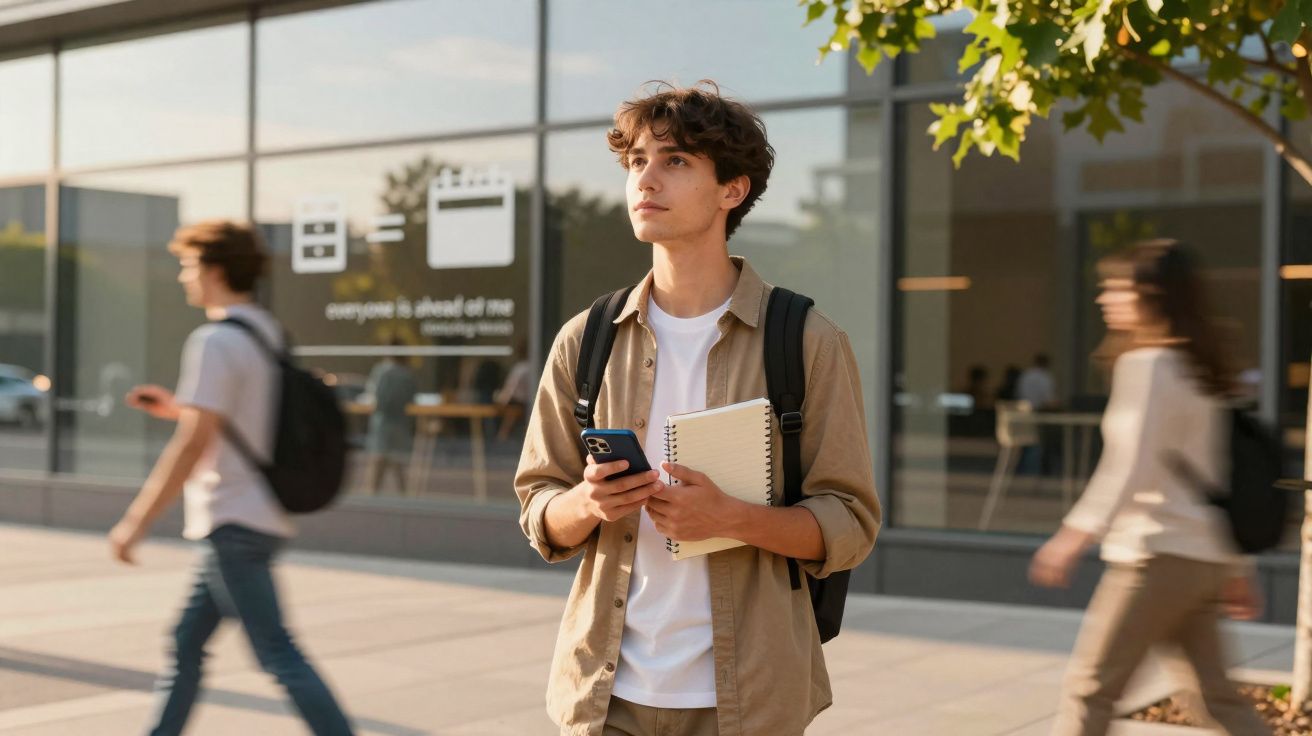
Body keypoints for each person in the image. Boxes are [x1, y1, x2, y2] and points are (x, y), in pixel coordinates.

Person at [514, 81, 880, 736]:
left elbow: (849, 522)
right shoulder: (588, 338)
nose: (645, 179)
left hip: (749, 701)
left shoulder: (805, 341)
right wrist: (589, 503)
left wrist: (731, 518)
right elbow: (539, 505)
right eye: (637, 162)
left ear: (731, 190)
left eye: (675, 160)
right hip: (604, 698)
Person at [107, 220, 354, 736]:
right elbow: (241, 419)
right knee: (185, 643)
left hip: (232, 518)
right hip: (256, 513)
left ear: (214, 269)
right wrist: (180, 409)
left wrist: (135, 521)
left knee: (277, 652)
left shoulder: (215, 340)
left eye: (187, 265)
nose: (182, 277)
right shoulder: (264, 330)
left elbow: (194, 444)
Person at [1029, 240, 1268, 736]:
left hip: (1156, 557)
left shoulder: (1150, 366)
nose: (1104, 298)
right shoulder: (1201, 371)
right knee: (1218, 699)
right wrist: (1235, 565)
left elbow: (1129, 468)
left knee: (1090, 691)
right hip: (1201, 559)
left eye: (1116, 286)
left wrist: (1073, 535)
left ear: (1151, 295)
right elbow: (1217, 479)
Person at [364, 341, 417, 494]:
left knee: (378, 461)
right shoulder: (407, 374)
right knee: (397, 462)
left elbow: (377, 398)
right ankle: (403, 498)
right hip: (400, 423)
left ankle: (371, 497)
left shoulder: (382, 371)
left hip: (383, 422)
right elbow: (411, 398)